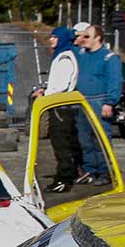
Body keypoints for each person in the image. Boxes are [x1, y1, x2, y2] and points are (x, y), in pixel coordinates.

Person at [37, 26, 83, 192]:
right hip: (58, 105)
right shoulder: (60, 57)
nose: (51, 40)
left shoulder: (64, 58)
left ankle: (64, 178)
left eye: (54, 37)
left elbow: (62, 86)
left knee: (62, 144)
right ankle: (67, 173)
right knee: (62, 144)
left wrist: (46, 94)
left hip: (60, 108)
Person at [75, 23, 122, 182]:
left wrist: (109, 102)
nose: (83, 40)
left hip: (99, 101)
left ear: (98, 38)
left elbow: (114, 81)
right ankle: (90, 171)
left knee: (101, 140)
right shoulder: (81, 55)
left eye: (87, 36)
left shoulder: (109, 58)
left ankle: (105, 171)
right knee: (85, 140)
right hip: (82, 102)